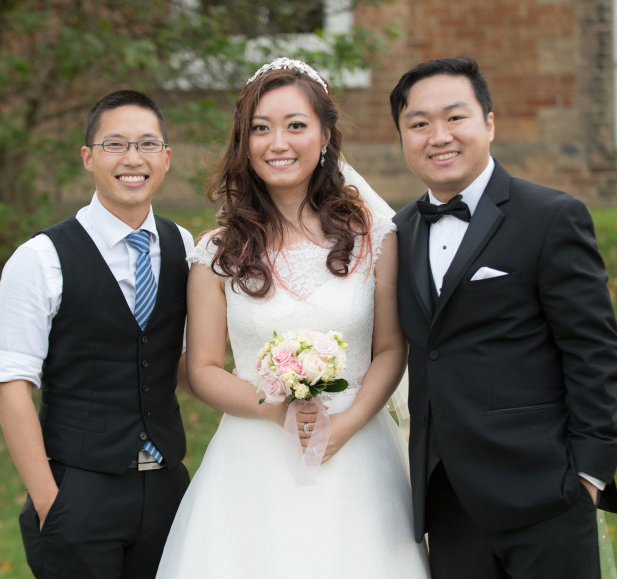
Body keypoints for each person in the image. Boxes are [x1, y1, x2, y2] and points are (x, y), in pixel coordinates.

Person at [156, 58, 430, 578]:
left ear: (325, 134)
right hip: (251, 465)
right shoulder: (216, 252)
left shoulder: (375, 238)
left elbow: (391, 350)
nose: (277, 142)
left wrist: (346, 425)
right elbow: (204, 368)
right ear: (245, 143)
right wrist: (275, 407)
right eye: (260, 128)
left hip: (357, 455)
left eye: (295, 125)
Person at [390, 56, 617, 578]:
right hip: (447, 502)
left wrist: (589, 472)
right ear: (402, 137)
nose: (438, 136)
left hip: (544, 493)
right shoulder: (397, 233)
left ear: (489, 124)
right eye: (419, 124)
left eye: (456, 117)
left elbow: (593, 349)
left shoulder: (550, 217)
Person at [0, 90, 194, 578]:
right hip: (78, 493)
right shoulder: (40, 258)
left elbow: (183, 363)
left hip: (167, 490)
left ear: (165, 158)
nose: (132, 158)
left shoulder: (183, 245)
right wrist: (50, 502)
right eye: (114, 144)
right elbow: (12, 384)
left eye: (147, 144)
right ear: (88, 157)